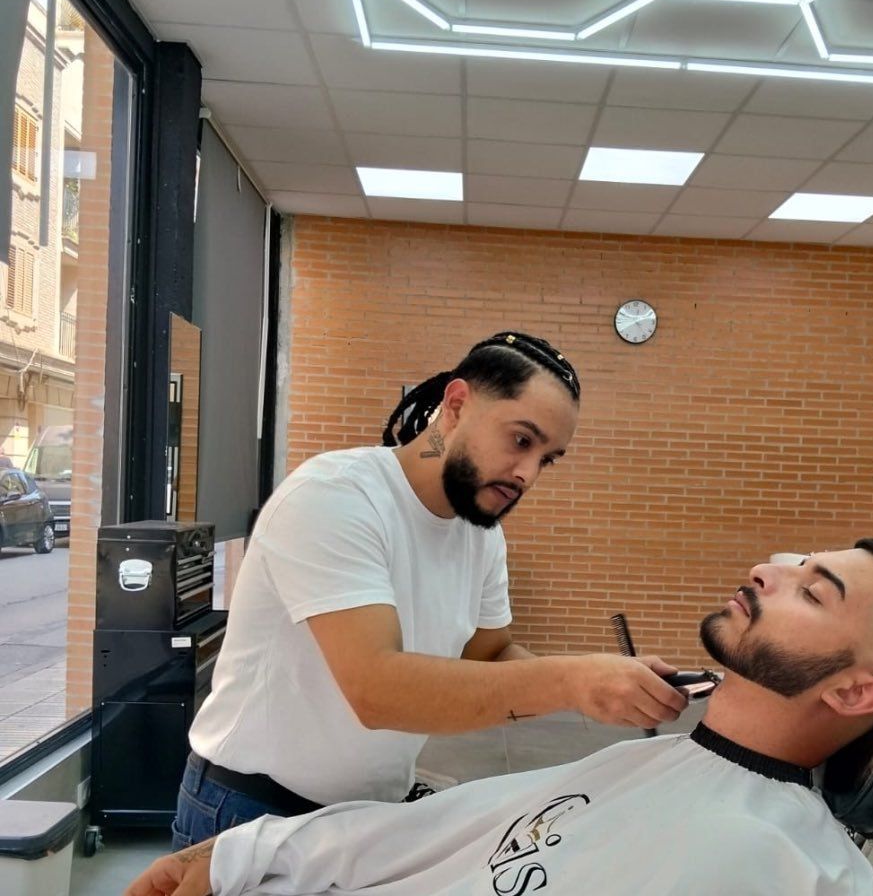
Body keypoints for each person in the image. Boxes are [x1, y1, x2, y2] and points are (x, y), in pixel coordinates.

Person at [129, 538, 873, 896]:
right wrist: (244, 854)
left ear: (853, 694)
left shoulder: (767, 861)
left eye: (814, 592)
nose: (767, 571)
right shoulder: (666, 764)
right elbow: (444, 835)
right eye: (793, 563)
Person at [173, 330, 687, 849]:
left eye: (546, 458)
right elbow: (376, 692)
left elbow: (490, 655)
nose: (528, 474)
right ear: (457, 405)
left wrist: (604, 684)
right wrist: (571, 681)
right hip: (250, 811)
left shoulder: (480, 536)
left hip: (367, 815)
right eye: (521, 441)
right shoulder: (335, 497)